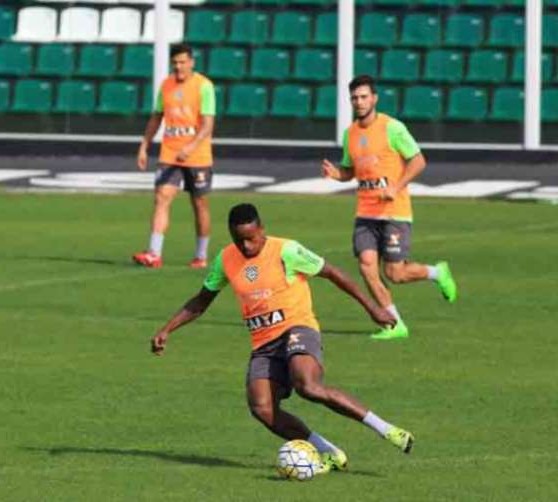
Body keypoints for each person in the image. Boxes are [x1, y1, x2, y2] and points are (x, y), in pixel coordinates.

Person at [151, 203, 415, 474]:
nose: (246, 246)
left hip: (297, 328)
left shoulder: (285, 250)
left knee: (308, 385)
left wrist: (373, 308)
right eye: (238, 239)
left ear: (261, 229)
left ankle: (386, 430)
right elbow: (201, 300)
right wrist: (167, 329)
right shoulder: (226, 259)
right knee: (261, 407)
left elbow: (333, 273)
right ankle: (329, 452)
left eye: (251, 238)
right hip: (263, 343)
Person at [321, 74, 458, 340]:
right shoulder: (350, 134)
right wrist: (337, 174)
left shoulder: (392, 128)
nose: (359, 102)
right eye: (354, 98)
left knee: (395, 273)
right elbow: (351, 170)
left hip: (394, 212)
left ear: (374, 98)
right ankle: (395, 325)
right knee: (366, 266)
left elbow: (418, 160)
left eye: (363, 97)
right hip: (366, 213)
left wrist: (396, 187)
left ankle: (436, 272)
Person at [133, 43, 216, 269]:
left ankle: (201, 255)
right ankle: (154, 253)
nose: (179, 67)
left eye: (182, 62)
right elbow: (156, 117)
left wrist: (191, 147)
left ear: (191, 62)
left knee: (199, 203)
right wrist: (144, 145)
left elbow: (207, 124)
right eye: (175, 63)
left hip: (197, 155)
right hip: (170, 153)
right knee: (162, 197)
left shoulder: (203, 86)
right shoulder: (167, 85)